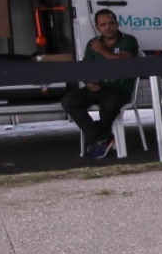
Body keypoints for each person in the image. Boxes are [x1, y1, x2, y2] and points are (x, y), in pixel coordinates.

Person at [53, 9, 137, 159]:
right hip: (99, 87)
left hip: (120, 89)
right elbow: (87, 69)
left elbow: (124, 60)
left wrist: (101, 49)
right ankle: (101, 137)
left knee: (110, 105)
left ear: (117, 24)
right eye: (103, 25)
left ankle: (99, 139)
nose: (108, 27)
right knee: (69, 101)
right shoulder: (93, 43)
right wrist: (89, 82)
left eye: (111, 23)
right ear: (98, 27)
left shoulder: (128, 40)